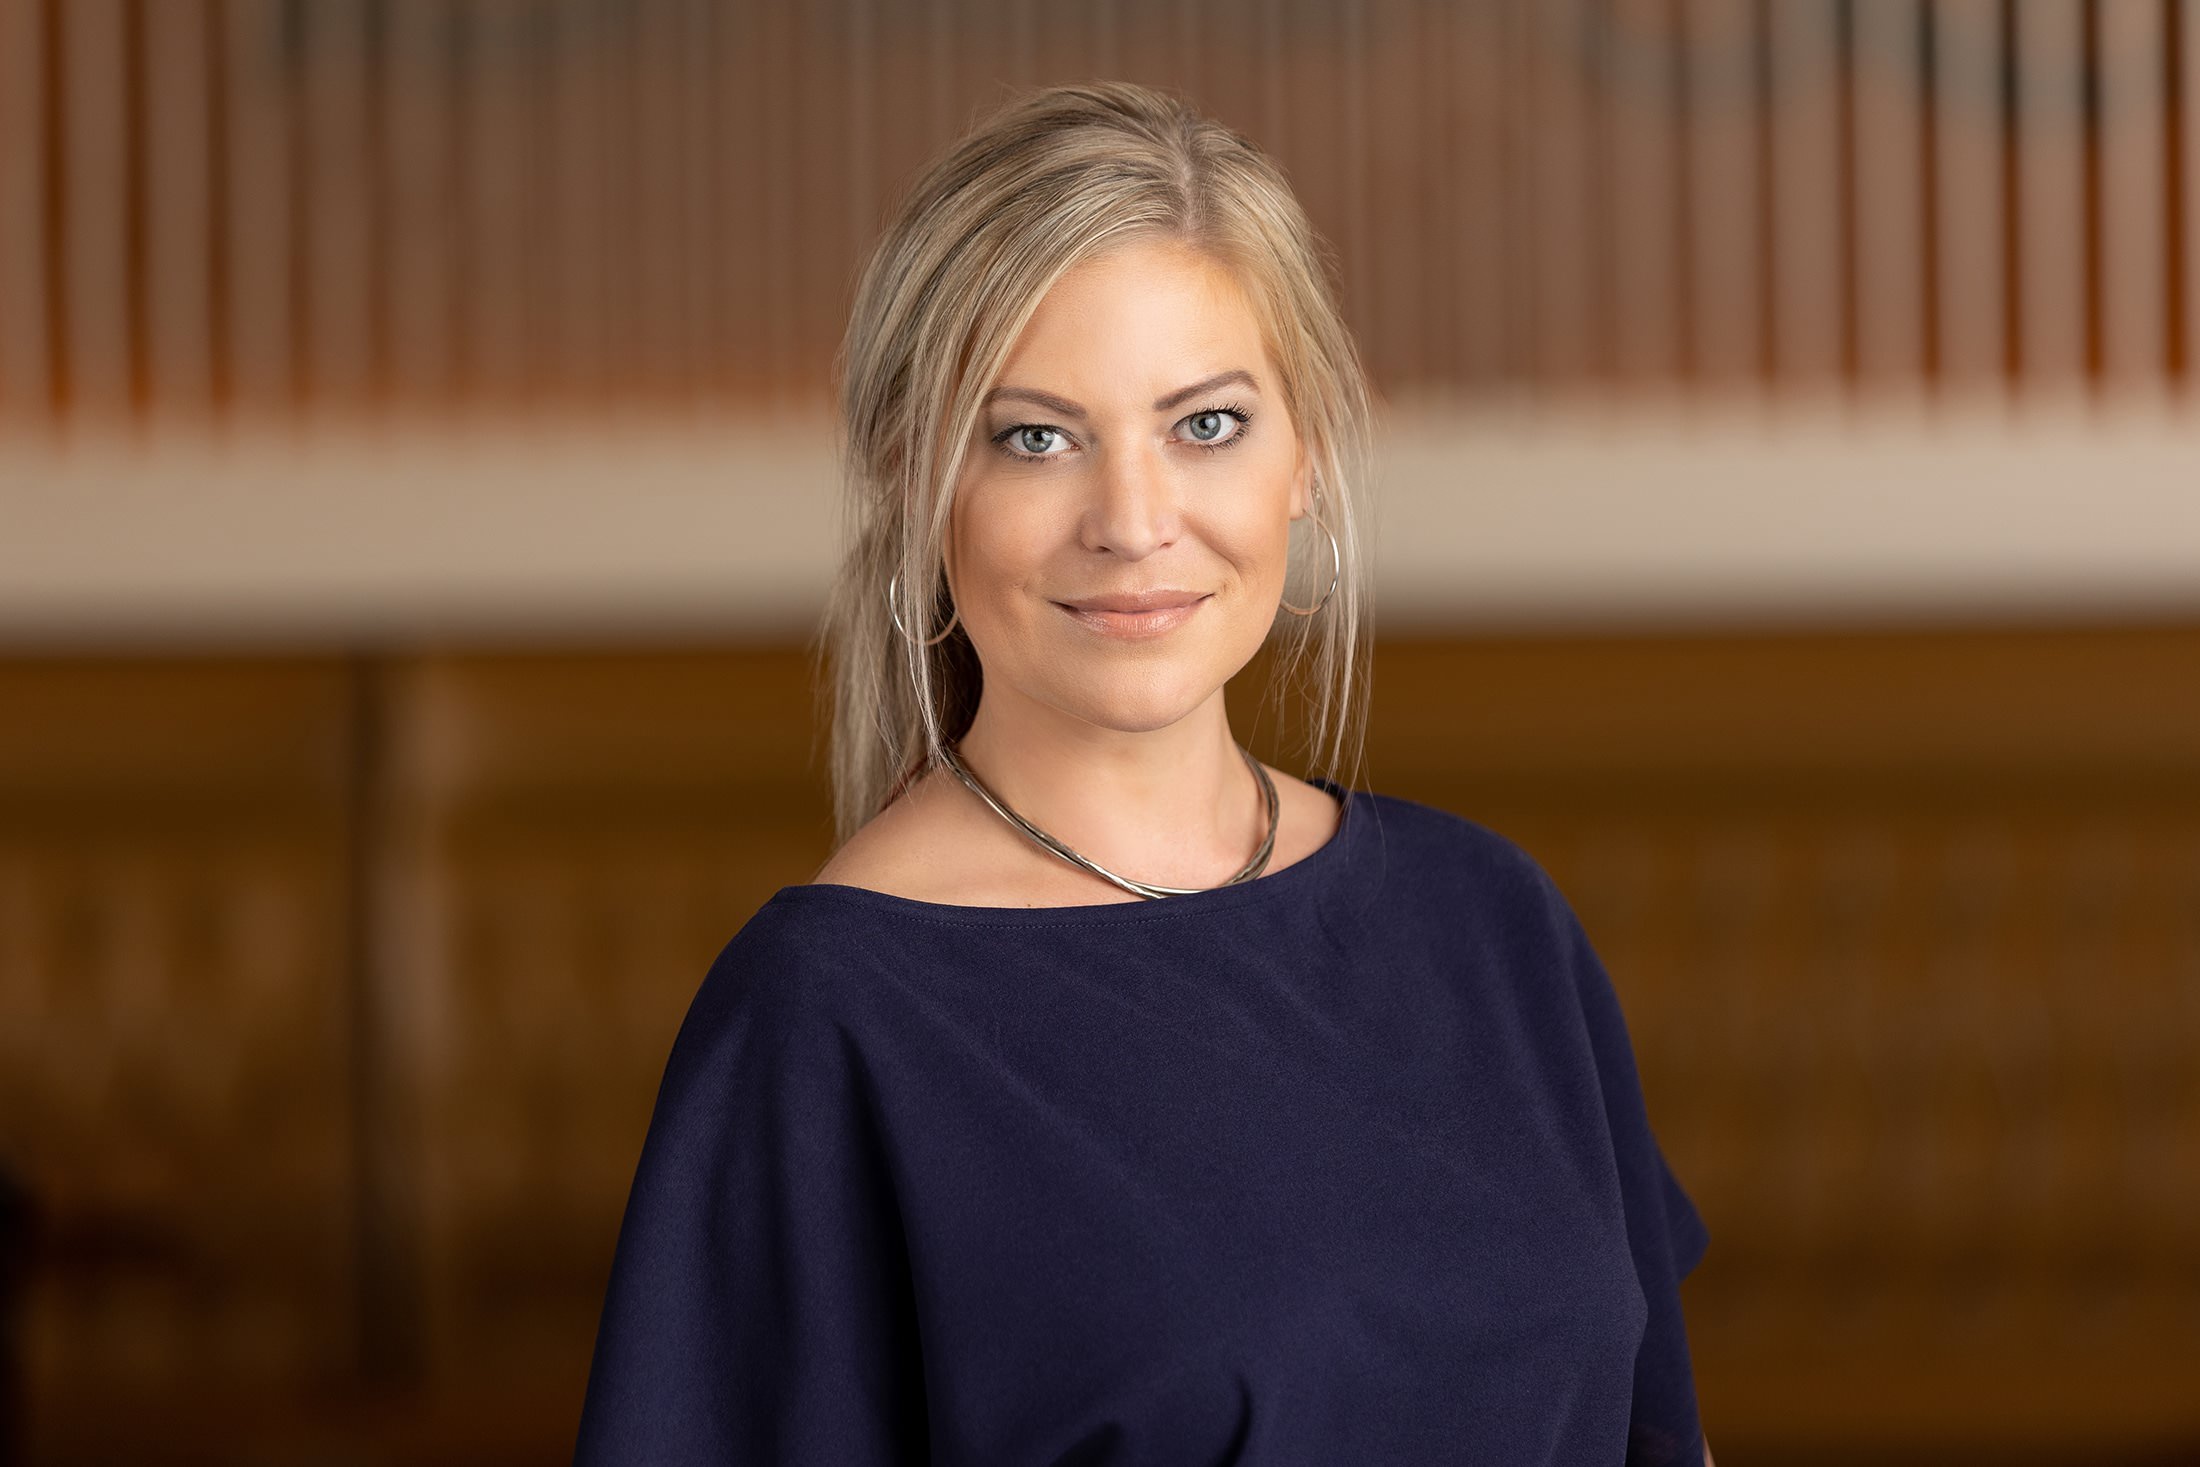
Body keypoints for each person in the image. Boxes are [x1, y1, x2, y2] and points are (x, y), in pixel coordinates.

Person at [572, 80, 1714, 1466]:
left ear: (1309, 453)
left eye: (1208, 424)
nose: (1132, 522)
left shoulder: (1491, 922)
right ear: (914, 481)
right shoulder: (827, 1019)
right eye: (1034, 436)